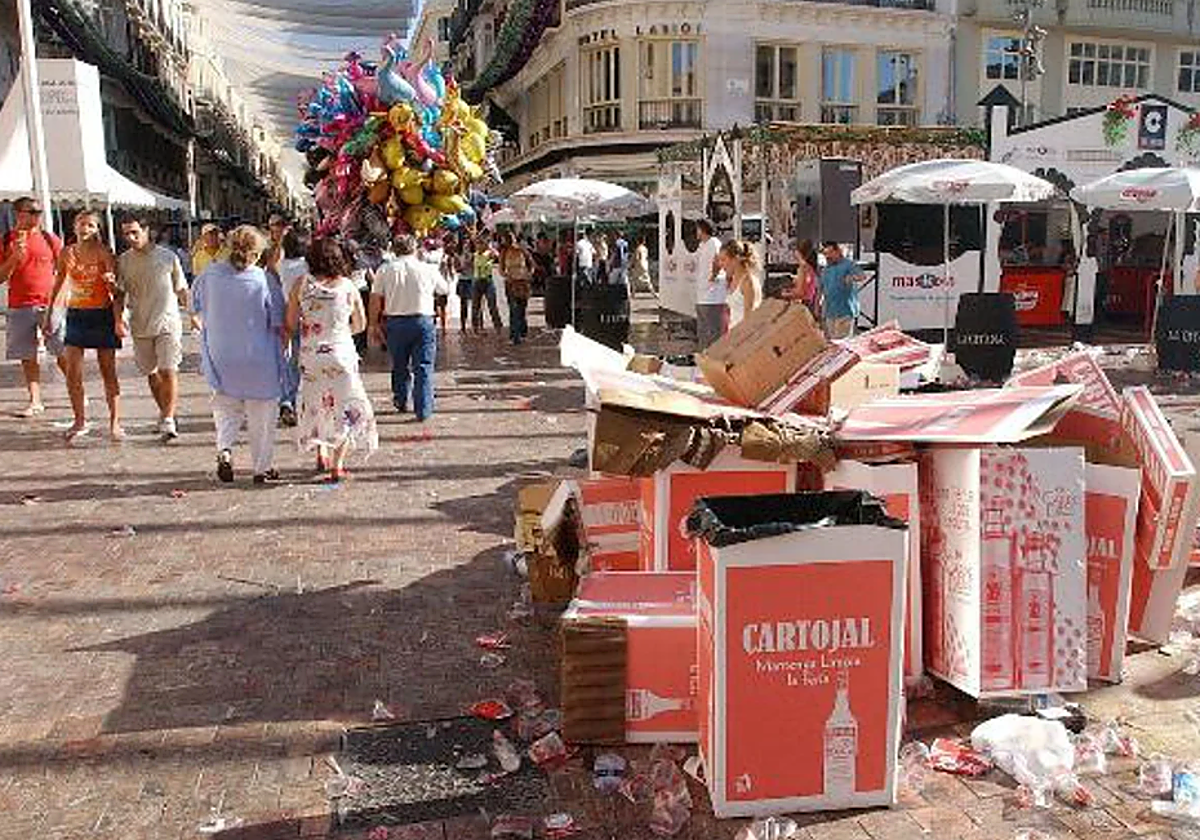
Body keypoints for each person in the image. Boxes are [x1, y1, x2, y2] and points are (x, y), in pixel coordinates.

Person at [192, 225, 285, 484]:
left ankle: (225, 449)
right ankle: (261, 467)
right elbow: (277, 320)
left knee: (226, 409)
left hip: (221, 354)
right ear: (257, 253)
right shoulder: (264, 280)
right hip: (259, 356)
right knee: (263, 414)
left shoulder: (208, 275)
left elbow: (194, 306)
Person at [289, 238, 377, 482]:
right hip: (341, 352)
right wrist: (340, 330)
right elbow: (360, 324)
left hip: (311, 355)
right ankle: (337, 465)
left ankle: (321, 451)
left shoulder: (301, 284)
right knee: (345, 406)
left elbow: (290, 321)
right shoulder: (348, 287)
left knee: (316, 402)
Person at [41, 210, 122, 442]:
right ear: (74, 227)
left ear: (97, 229)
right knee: (72, 373)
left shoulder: (104, 253)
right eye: (81, 224)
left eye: (90, 225)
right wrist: (49, 316)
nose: (85, 229)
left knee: (108, 372)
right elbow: (58, 284)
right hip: (76, 314)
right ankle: (79, 420)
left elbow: (117, 293)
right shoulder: (67, 252)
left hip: (102, 315)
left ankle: (115, 422)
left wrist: (117, 317)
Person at [116, 214, 190, 442]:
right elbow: (119, 293)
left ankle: (169, 418)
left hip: (168, 322)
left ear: (147, 231)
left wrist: (195, 315)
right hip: (140, 323)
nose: (130, 237)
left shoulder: (168, 257)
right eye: (126, 233)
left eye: (134, 232)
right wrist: (118, 319)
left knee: (169, 369)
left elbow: (182, 290)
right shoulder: (124, 261)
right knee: (152, 373)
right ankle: (164, 411)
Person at [1, 197, 65, 417]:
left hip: (49, 304)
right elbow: (0, 277)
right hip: (20, 304)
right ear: (19, 214)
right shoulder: (7, 240)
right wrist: (14, 258)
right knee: (27, 356)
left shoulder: (50, 239)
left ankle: (77, 390)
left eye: (39, 212)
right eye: (33, 212)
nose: (38, 216)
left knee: (62, 350)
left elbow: (65, 271)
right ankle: (35, 400)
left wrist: (61, 301)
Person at [370, 235, 438, 420]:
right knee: (423, 366)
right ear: (414, 248)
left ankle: (401, 399)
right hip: (423, 320)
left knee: (399, 364)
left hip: (396, 322)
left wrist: (373, 324)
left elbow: (375, 298)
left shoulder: (384, 270)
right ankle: (423, 408)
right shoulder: (427, 269)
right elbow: (443, 288)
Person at [276, 228, 311, 428]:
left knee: (289, 361)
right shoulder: (307, 266)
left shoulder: (282, 266)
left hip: (285, 315)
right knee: (304, 361)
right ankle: (302, 403)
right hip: (307, 317)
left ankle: (287, 399)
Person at [819, 241, 865, 339]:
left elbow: (861, 276)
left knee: (842, 343)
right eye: (825, 254)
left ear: (838, 251)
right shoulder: (826, 269)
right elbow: (822, 289)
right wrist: (818, 306)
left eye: (830, 253)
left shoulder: (848, 264)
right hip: (830, 311)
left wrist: (851, 277)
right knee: (831, 342)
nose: (828, 256)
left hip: (845, 310)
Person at [693, 219, 725, 349]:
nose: (696, 232)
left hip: (713, 296)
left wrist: (713, 276)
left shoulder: (714, 243)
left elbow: (718, 260)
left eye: (697, 229)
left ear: (702, 229)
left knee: (712, 331)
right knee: (703, 330)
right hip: (703, 295)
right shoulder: (703, 245)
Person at [718, 239, 763, 330]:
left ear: (735, 259)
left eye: (723, 260)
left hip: (744, 338)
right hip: (733, 335)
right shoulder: (732, 280)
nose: (721, 264)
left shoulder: (748, 282)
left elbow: (750, 317)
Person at [498, 231, 533, 345]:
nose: (509, 241)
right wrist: (507, 276)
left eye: (510, 238)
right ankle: (515, 336)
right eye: (506, 239)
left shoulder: (522, 250)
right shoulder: (504, 252)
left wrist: (529, 274)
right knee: (513, 310)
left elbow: (532, 264)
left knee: (522, 309)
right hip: (511, 284)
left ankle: (522, 332)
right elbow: (501, 269)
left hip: (523, 283)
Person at [471, 235, 503, 334]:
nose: (479, 246)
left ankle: (498, 326)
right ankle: (476, 327)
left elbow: (498, 256)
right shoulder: (475, 255)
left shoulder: (489, 254)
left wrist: (491, 248)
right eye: (477, 244)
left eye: (481, 244)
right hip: (477, 281)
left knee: (492, 305)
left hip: (488, 281)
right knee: (476, 306)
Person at [783, 239, 820, 318]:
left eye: (794, 250)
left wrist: (785, 294)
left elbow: (800, 293)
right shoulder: (810, 268)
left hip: (802, 306)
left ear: (799, 253)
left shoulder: (802, 269)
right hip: (809, 305)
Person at [422, 237, 450, 335]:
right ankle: (442, 329)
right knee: (439, 308)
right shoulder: (441, 256)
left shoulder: (425, 256)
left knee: (435, 308)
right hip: (437, 284)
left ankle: (439, 329)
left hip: (433, 284)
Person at [451, 235, 472, 333]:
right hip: (463, 280)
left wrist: (470, 261)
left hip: (472, 280)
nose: (466, 245)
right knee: (463, 304)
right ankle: (463, 326)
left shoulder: (473, 254)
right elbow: (456, 268)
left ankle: (478, 326)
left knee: (476, 304)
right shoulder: (457, 255)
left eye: (468, 243)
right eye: (465, 242)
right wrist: (462, 266)